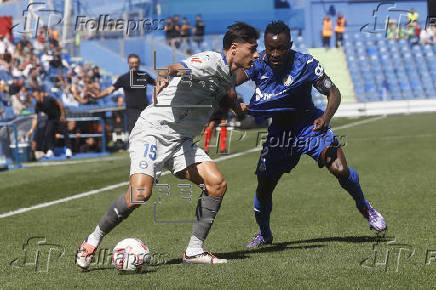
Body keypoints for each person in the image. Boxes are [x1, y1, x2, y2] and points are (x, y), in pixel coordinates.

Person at [76, 22, 259, 268]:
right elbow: (176, 68)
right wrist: (164, 76)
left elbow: (227, 94)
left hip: (180, 141)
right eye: (253, 48)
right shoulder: (209, 60)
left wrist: (239, 108)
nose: (256, 54)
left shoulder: (227, 75)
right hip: (154, 131)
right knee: (140, 194)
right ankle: (91, 242)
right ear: (235, 48)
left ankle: (194, 251)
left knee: (216, 184)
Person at [233, 21, 386, 248]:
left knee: (340, 168)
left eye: (281, 48)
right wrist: (235, 106)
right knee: (264, 187)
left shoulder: (304, 64)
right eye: (270, 48)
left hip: (308, 125)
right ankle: (264, 234)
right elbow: (228, 82)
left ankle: (365, 207)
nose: (275, 54)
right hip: (279, 134)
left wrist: (325, 118)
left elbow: (333, 92)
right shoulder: (257, 62)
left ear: (290, 45)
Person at [89, 54, 155, 133]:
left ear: (139, 63)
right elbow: (109, 90)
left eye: (136, 62)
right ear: (128, 64)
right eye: (132, 63)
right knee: (134, 135)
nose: (134, 65)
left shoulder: (144, 75)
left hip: (145, 111)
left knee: (147, 134)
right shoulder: (124, 78)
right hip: (132, 112)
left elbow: (156, 83)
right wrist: (97, 97)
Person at [26, 87, 72, 158]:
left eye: (36, 96)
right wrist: (31, 130)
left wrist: (63, 114)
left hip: (59, 116)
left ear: (40, 95)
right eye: (34, 97)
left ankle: (68, 150)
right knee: (48, 133)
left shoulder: (48, 99)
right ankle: (51, 150)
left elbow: (59, 103)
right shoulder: (37, 105)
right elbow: (35, 118)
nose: (35, 98)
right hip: (51, 119)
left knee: (65, 132)